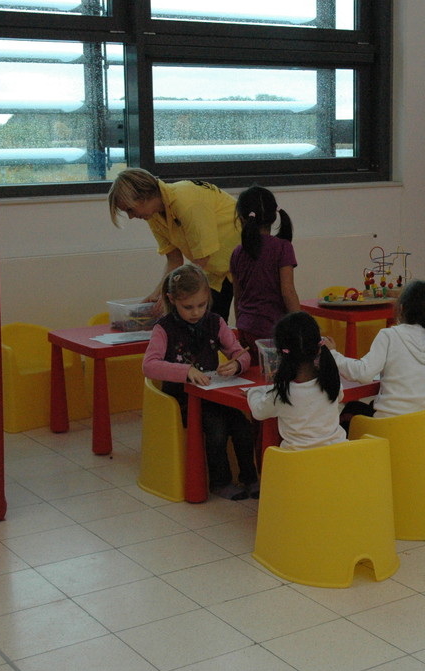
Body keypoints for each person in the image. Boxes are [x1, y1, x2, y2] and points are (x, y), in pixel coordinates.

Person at [142, 264, 257, 500]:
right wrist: (186, 371)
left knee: (243, 426)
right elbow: (149, 365)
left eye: (201, 305)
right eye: (188, 307)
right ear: (172, 299)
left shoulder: (215, 322)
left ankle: (250, 478)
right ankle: (220, 482)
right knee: (216, 428)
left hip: (215, 396)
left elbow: (241, 353)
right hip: (184, 400)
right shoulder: (164, 328)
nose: (196, 312)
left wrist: (236, 364)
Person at [108, 168, 240, 322]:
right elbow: (174, 259)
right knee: (206, 324)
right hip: (216, 271)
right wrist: (157, 294)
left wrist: (172, 294)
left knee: (247, 321)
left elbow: (203, 258)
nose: (131, 216)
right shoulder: (153, 215)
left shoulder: (187, 201)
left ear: (143, 196)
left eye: (130, 209)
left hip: (245, 259)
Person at [327, 280, 425, 424]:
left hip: (388, 427)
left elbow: (364, 373)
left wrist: (333, 354)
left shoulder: (389, 336)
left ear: (402, 308)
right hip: (423, 427)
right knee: (361, 407)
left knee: (349, 410)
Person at [246, 312, 347, 451]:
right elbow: (339, 397)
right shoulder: (331, 381)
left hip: (297, 462)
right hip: (338, 457)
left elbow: (258, 412)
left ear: (280, 353)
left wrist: (253, 392)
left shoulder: (281, 393)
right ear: (319, 347)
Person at [229, 185, 300, 364]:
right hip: (272, 331)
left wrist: (240, 325)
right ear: (274, 216)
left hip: (246, 329)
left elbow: (238, 296)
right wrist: (302, 326)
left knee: (254, 375)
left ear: (241, 218)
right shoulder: (283, 247)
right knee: (278, 375)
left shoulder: (237, 252)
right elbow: (288, 292)